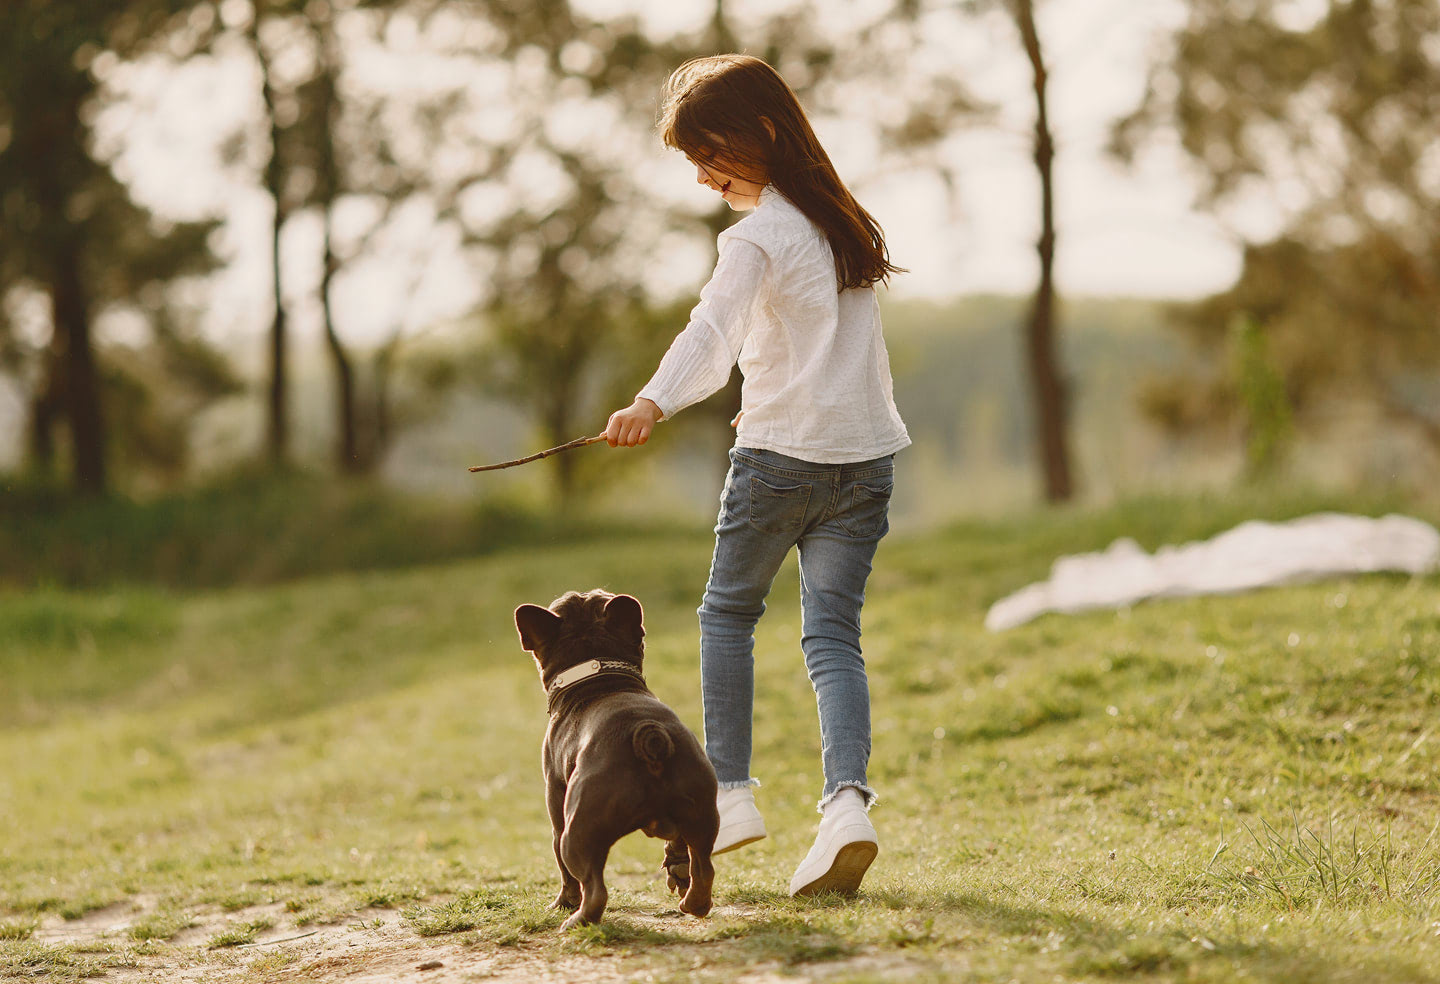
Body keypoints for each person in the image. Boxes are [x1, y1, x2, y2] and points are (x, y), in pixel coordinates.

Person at [604, 53, 910, 897]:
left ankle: (731, 795)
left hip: (781, 464)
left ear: (763, 134)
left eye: (711, 155)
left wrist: (649, 403)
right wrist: (768, 402)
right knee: (833, 638)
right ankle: (847, 806)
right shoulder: (844, 224)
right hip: (864, 459)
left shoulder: (757, 237)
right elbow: (826, 351)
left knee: (726, 617)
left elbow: (712, 334)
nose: (702, 176)